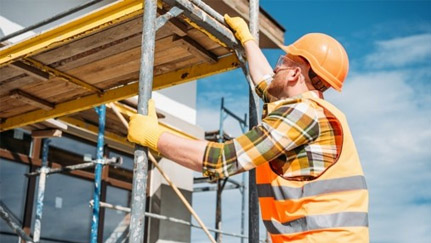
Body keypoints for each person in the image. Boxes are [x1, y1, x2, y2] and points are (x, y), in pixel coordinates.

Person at [128, 14, 369, 242]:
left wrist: (153, 135)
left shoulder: (302, 113)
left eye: (282, 62)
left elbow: (221, 160)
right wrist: (248, 40)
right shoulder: (314, 112)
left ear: (295, 73)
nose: (276, 68)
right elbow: (267, 83)